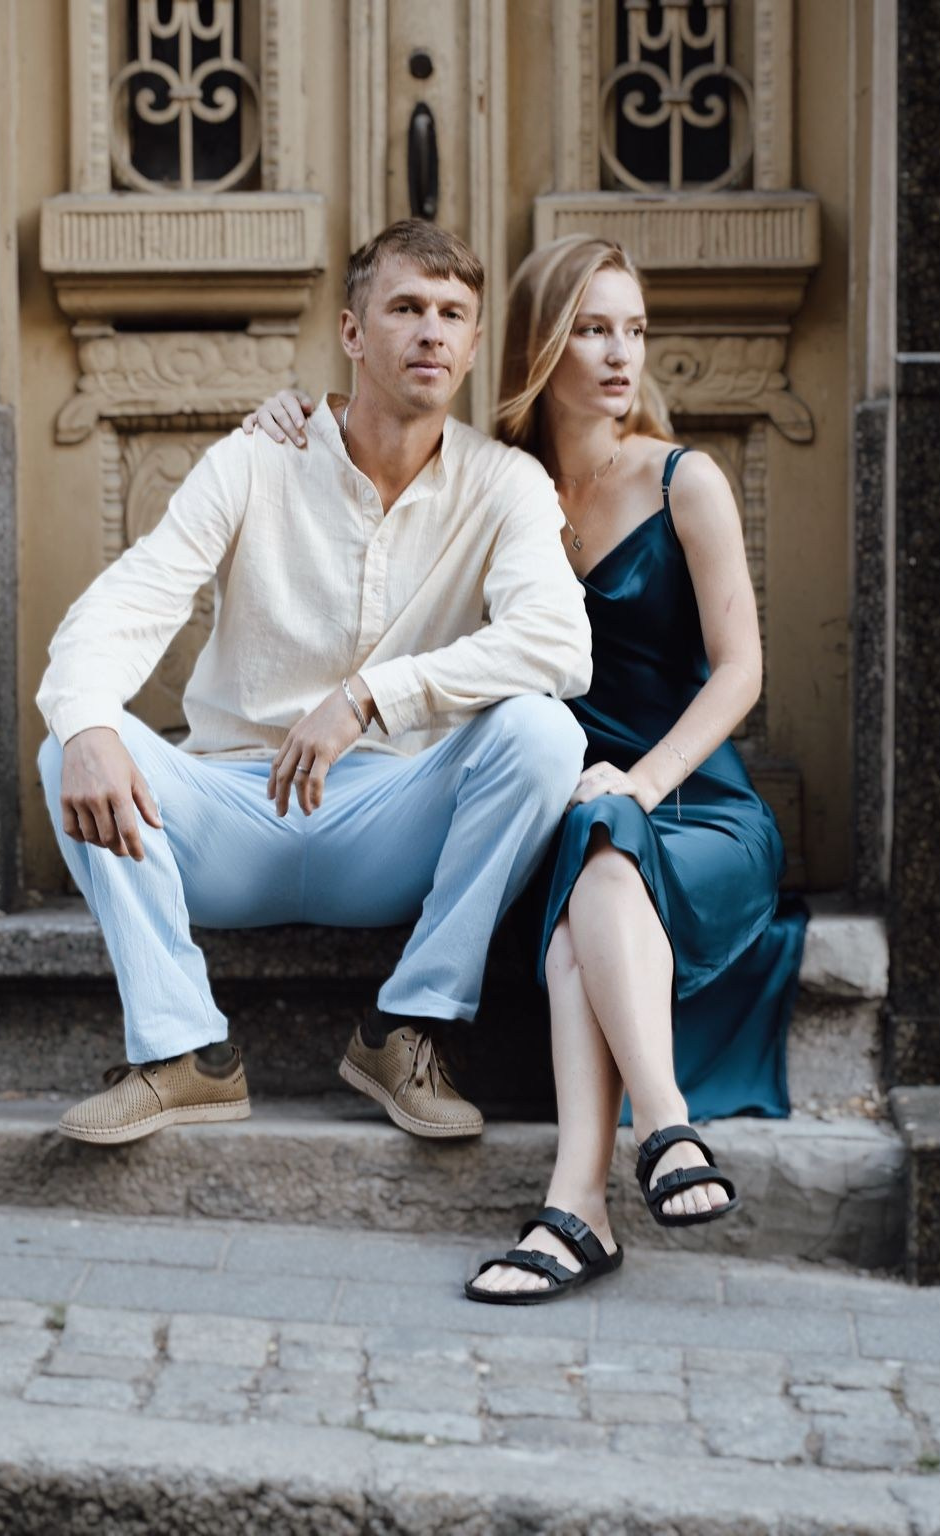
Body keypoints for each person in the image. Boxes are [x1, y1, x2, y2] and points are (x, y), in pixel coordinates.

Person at [244, 234, 807, 1304]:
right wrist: (286, 416)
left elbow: (740, 674)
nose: (618, 356)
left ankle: (600, 1183)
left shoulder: (686, 482)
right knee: (580, 887)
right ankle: (627, 1170)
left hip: (693, 804)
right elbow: (364, 456)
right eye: (592, 328)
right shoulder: (490, 482)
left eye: (634, 331)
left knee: (591, 882)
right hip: (557, 801)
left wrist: (640, 785)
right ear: (543, 340)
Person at [36, 220, 592, 1149]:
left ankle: (405, 1030)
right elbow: (127, 602)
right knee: (74, 740)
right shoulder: (257, 458)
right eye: (406, 307)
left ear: (472, 342)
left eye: (453, 314)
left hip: (391, 820)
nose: (431, 333)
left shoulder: (506, 486)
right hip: (227, 815)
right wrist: (90, 719)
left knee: (544, 735)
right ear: (350, 332)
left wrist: (371, 696)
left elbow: (557, 644)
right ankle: (185, 1054)